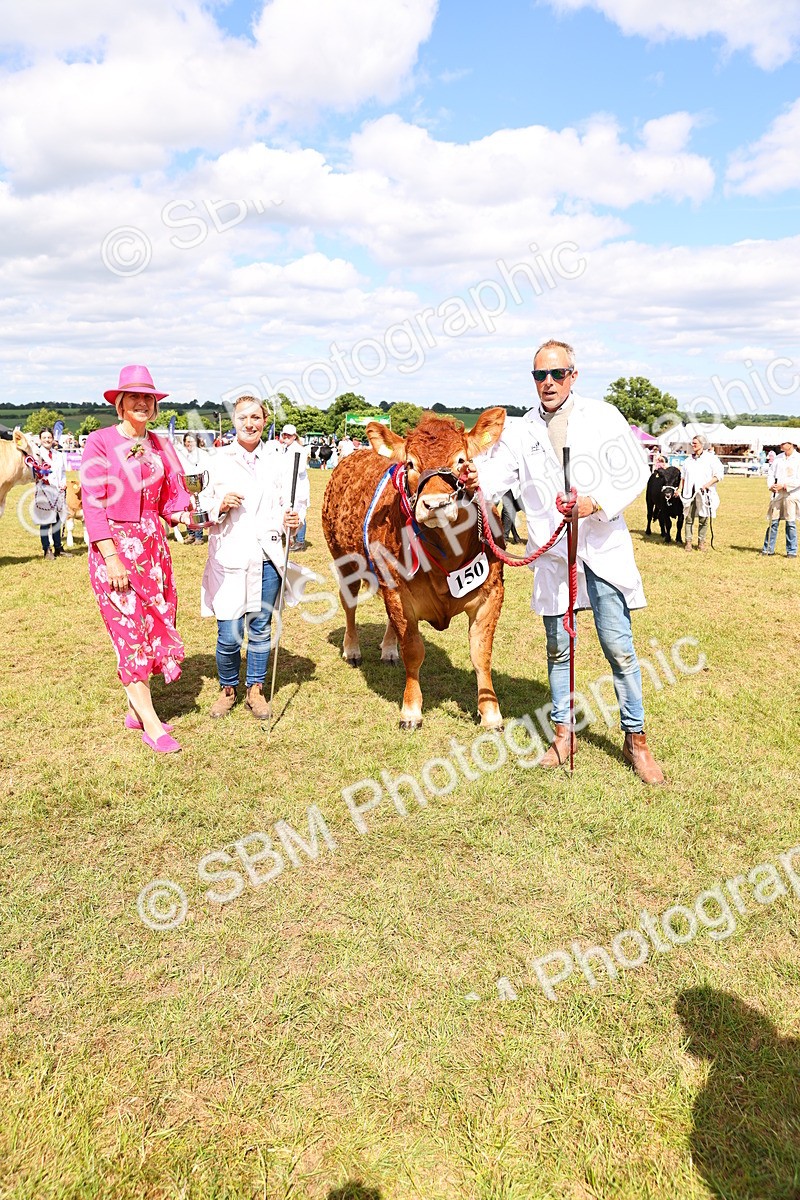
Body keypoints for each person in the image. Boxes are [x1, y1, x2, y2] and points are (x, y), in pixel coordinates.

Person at [464, 338, 664, 784]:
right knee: (558, 649)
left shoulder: (603, 415)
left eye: (557, 374)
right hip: (554, 554)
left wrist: (596, 503)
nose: (548, 383)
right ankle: (563, 734)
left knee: (619, 647)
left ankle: (637, 741)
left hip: (601, 548)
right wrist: (474, 478)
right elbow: (495, 479)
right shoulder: (520, 429)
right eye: (540, 376)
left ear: (574, 375)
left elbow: (635, 469)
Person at [80, 365, 194, 754]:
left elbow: (170, 503)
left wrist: (202, 515)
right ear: (120, 403)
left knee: (152, 627)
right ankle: (150, 723)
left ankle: (135, 709)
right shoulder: (99, 442)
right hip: (115, 547)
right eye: (135, 397)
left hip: (154, 548)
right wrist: (110, 557)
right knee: (129, 634)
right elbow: (92, 503)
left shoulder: (161, 445)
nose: (143, 402)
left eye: (149, 397)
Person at [200, 396, 305, 720]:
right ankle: (227, 688)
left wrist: (293, 518)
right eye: (244, 417)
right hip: (230, 555)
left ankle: (255, 689)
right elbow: (200, 505)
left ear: (264, 420)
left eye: (256, 417)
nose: (250, 423)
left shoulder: (278, 459)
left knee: (260, 627)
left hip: (268, 555)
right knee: (229, 631)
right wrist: (220, 503)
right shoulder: (216, 459)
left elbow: (293, 501)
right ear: (234, 421)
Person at [678, 434, 724, 552]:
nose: (693, 445)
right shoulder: (688, 460)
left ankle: (701, 542)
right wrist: (680, 489)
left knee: (704, 518)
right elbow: (683, 477)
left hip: (704, 493)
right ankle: (688, 542)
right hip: (689, 493)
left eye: (695, 443)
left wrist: (708, 484)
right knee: (688, 518)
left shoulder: (711, 459)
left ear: (702, 444)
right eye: (692, 443)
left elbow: (719, 474)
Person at [30, 426, 67, 558]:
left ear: (53, 439)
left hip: (58, 491)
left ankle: (58, 548)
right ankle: (47, 549)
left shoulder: (59, 455)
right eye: (44, 437)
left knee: (57, 520)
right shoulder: (36, 455)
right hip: (44, 491)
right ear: (40, 439)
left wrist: (63, 483)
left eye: (49, 437)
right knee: (45, 521)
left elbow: (62, 472)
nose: (47, 439)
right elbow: (33, 474)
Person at [763, 439, 800, 558]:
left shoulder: (798, 459)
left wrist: (784, 485)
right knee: (773, 521)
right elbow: (771, 473)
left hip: (791, 494)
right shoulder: (778, 458)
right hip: (777, 494)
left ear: (791, 444)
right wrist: (771, 486)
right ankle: (768, 548)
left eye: (783, 443)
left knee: (790, 522)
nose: (781, 445)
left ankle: (792, 551)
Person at [277, 423, 310, 552]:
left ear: (294, 436)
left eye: (289, 435)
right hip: (287, 486)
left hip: (297, 487)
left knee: (298, 513)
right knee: (288, 511)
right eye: (284, 434)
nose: (286, 437)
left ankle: (300, 541)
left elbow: (300, 468)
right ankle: (291, 538)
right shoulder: (284, 448)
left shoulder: (299, 450)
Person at [177, 432, 207, 545]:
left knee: (196, 509)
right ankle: (190, 534)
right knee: (187, 509)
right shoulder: (181, 455)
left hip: (198, 486)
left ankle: (199, 537)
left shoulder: (202, 454)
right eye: (187, 441)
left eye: (192, 441)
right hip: (185, 485)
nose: (189, 444)